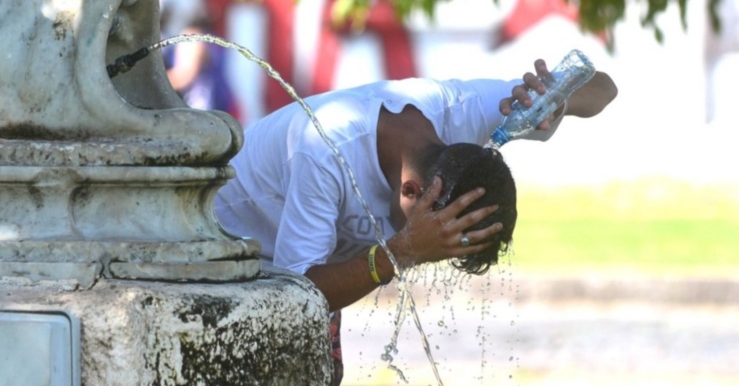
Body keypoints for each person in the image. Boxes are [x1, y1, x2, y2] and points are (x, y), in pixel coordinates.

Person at [214, 59, 617, 383]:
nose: (428, 252)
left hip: (310, 264)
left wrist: (555, 98)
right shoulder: (324, 151)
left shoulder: (467, 115)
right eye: (430, 239)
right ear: (411, 192)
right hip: (222, 252)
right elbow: (297, 295)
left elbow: (604, 89)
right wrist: (403, 251)